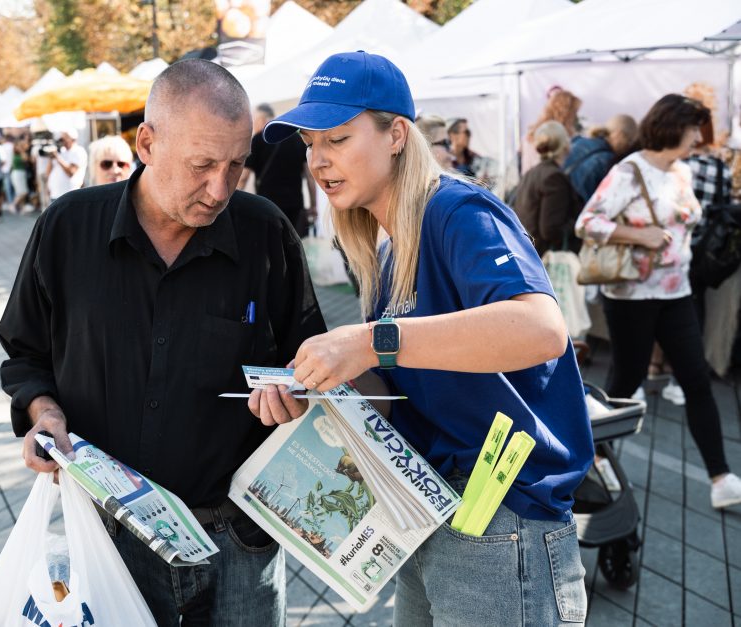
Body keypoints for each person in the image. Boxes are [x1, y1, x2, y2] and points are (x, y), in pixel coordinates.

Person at [254, 50, 592, 626]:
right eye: (311, 144)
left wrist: (368, 342)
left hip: (501, 516)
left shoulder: (457, 211)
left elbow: (541, 329)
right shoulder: (383, 243)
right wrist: (324, 386)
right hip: (429, 506)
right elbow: (408, 386)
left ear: (397, 135)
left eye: (336, 138)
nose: (318, 161)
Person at [0, 59, 327, 626]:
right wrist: (44, 413)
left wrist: (297, 395)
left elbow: (310, 358)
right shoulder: (67, 228)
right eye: (202, 165)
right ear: (146, 142)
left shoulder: (265, 232)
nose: (220, 188)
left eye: (237, 165)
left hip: (238, 540)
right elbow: (25, 353)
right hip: (110, 538)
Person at [575, 94, 741, 509]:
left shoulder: (680, 171)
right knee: (625, 382)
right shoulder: (629, 172)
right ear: (672, 127)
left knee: (696, 380)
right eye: (692, 130)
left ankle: (720, 478)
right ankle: (589, 458)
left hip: (676, 289)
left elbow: (691, 214)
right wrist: (639, 234)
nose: (696, 139)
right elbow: (587, 222)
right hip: (632, 295)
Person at [239, 103, 316, 236]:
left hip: (266, 206)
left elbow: (243, 178)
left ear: (262, 120)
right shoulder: (297, 139)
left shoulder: (257, 140)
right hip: (294, 205)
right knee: (293, 246)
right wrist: (314, 205)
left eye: (255, 121)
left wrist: (232, 205)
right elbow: (310, 177)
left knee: (270, 247)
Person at [513, 121, 581, 255]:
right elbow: (550, 229)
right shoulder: (554, 177)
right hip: (545, 257)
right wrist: (578, 223)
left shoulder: (531, 173)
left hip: (527, 252)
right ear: (565, 145)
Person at [564, 114, 639, 205]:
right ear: (620, 135)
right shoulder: (608, 161)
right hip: (574, 213)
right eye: (629, 141)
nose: (628, 147)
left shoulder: (577, 141)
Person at [523, 89, 582, 174]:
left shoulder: (533, 135)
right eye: (574, 113)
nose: (576, 117)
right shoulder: (550, 137)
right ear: (566, 113)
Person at [45, 128, 87, 202]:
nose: (62, 141)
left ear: (73, 138)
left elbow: (71, 172)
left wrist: (57, 157)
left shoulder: (79, 151)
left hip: (69, 195)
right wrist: (51, 157)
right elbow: (48, 172)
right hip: (55, 194)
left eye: (64, 138)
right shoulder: (61, 151)